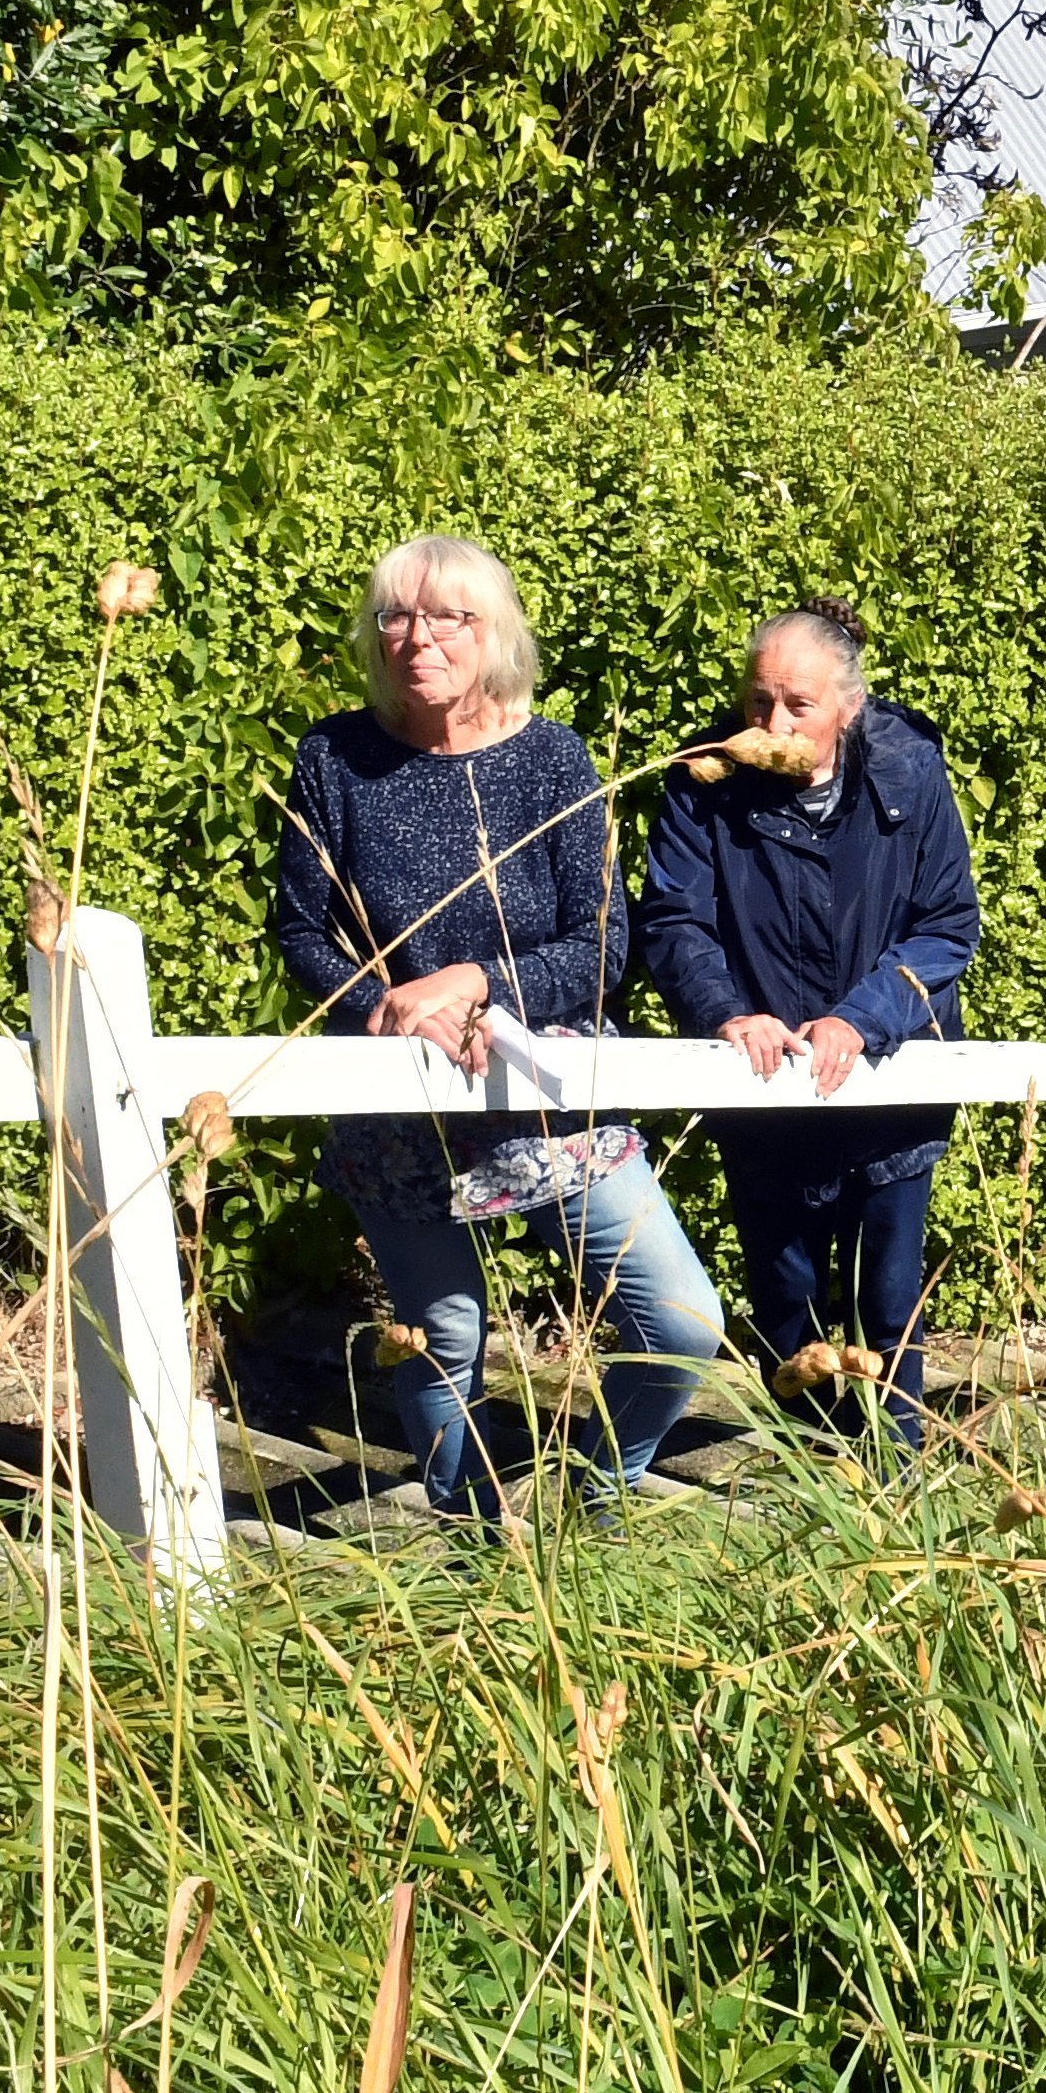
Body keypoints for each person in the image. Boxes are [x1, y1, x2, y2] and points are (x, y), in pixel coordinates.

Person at [270, 533, 725, 1516]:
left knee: (682, 1317)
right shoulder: (333, 759)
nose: (416, 636)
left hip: (544, 1089)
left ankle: (597, 1497)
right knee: (445, 1338)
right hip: (400, 1098)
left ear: (494, 634)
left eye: (446, 617)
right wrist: (385, 1008)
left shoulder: (552, 757)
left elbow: (606, 944)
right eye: (395, 613)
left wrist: (477, 980)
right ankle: (473, 1546)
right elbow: (301, 932)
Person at [640, 598, 981, 1447]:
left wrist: (861, 1019)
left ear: (848, 706)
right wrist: (724, 1012)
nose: (774, 723)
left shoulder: (912, 774)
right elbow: (673, 920)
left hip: (890, 1083)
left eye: (799, 705)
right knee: (787, 1296)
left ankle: (896, 1475)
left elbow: (946, 925)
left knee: (888, 1298)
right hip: (766, 1087)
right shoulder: (702, 785)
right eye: (760, 702)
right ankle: (810, 1470)